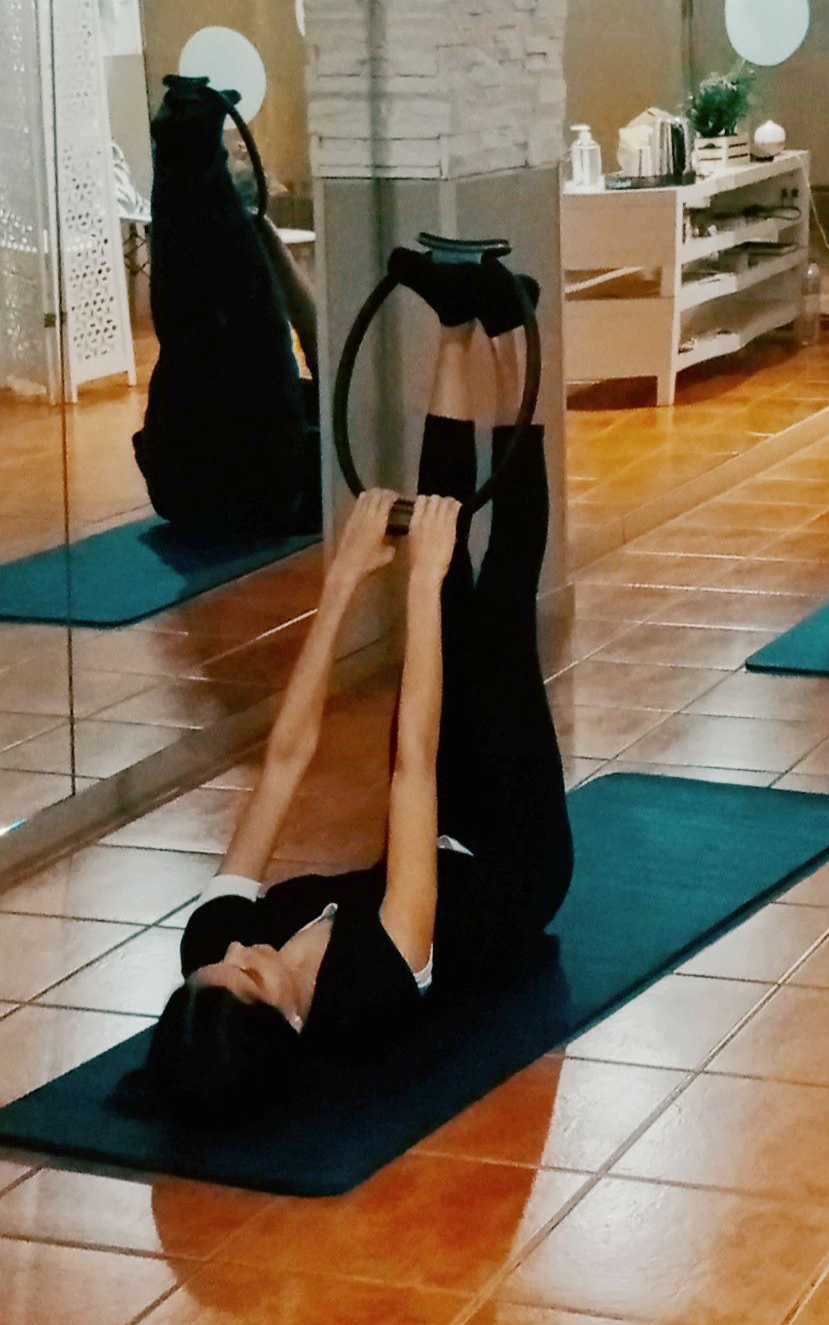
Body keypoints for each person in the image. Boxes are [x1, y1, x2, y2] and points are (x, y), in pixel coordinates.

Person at [144, 257, 570, 1119]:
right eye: (249, 974)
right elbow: (411, 768)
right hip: (514, 863)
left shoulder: (212, 950)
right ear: (286, 1022)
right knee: (491, 602)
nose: (237, 951)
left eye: (217, 967)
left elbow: (285, 758)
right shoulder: (367, 990)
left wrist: (340, 584)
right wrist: (419, 585)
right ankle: (511, 335)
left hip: (433, 822)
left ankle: (457, 327)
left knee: (445, 590)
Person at [134, 75, 321, 539]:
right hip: (256, 497)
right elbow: (321, 344)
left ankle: (189, 151)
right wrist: (268, 247)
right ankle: (193, 152)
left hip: (180, 491)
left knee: (196, 338)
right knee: (238, 343)